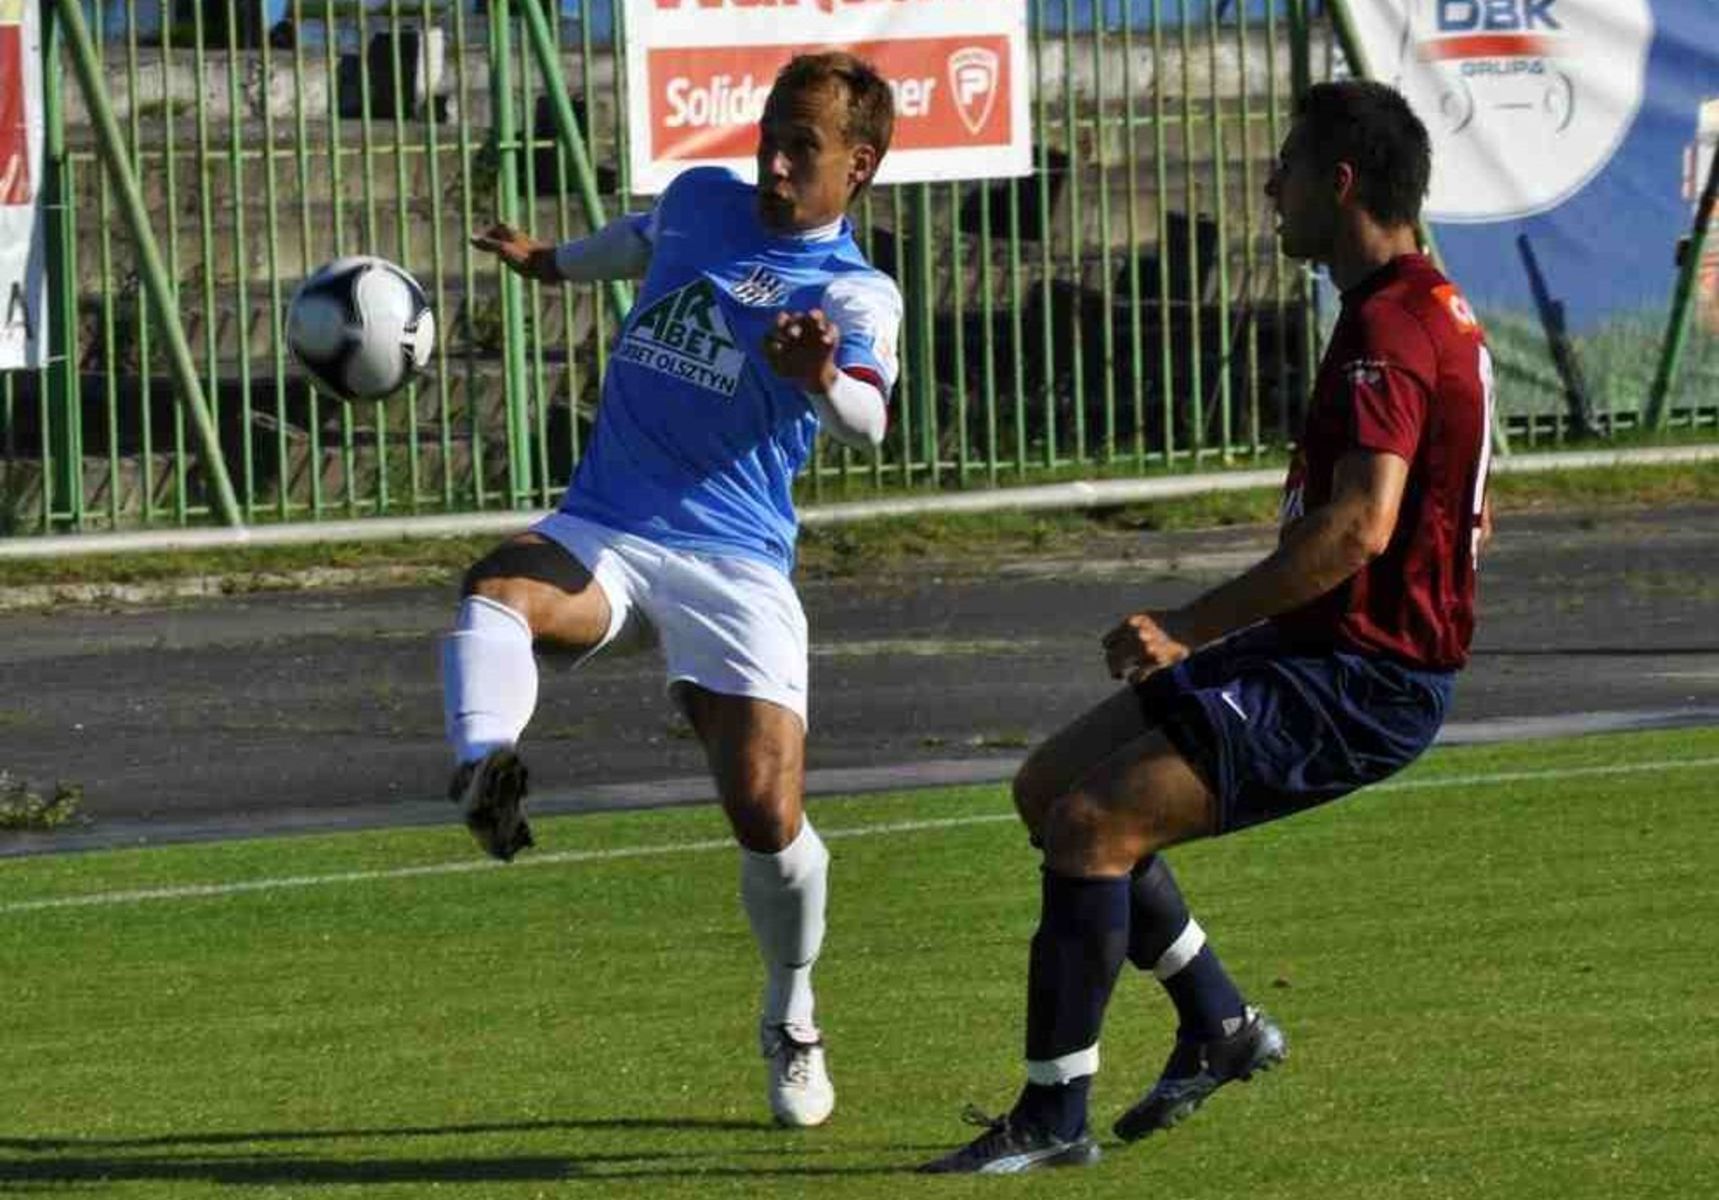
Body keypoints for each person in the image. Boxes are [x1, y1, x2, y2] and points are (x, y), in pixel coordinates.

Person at [921, 78, 1495, 1174]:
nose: (1265, 186)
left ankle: (1053, 1118)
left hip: (1362, 676)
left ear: (1340, 182)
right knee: (1047, 792)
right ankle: (1220, 1023)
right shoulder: (1432, 308)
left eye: (1284, 166)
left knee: (1093, 825)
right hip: (1324, 649)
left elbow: (1359, 529)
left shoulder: (1391, 322)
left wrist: (1189, 622)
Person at [443, 51, 900, 1129]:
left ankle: (791, 1014)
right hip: (610, 521)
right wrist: (549, 263)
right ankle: (479, 772)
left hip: (736, 560)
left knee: (765, 810)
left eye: (804, 148)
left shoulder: (852, 291)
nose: (774, 161)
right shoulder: (702, 199)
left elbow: (871, 416)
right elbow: (639, 240)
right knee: (498, 587)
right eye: (771, 135)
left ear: (859, 166)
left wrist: (820, 377)